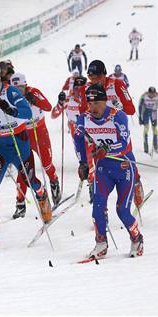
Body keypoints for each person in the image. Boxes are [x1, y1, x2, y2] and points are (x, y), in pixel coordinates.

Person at [0, 63, 50, 252]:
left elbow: (27, 113)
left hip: (18, 143)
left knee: (29, 180)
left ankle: (41, 195)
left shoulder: (11, 93)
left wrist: (12, 110)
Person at [74, 84, 143, 259]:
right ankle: (101, 243)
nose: (93, 107)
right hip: (104, 168)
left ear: (105, 101)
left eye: (97, 102)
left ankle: (137, 239)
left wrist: (107, 149)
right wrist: (83, 162)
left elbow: (124, 143)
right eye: (89, 103)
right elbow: (78, 138)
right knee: (98, 205)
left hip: (124, 166)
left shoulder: (117, 116)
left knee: (122, 211)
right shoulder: (84, 118)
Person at [81, 59, 144, 207]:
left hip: (117, 129)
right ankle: (100, 206)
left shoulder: (116, 84)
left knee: (125, 158)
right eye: (91, 78)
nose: (94, 81)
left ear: (104, 74)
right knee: (99, 162)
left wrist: (119, 107)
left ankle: (135, 182)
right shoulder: (88, 89)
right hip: (98, 132)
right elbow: (82, 111)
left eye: (97, 77)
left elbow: (131, 110)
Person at [10, 73, 61, 218]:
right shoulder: (10, 97)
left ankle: (53, 181)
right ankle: (20, 203)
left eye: (20, 88)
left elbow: (48, 106)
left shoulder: (34, 92)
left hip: (39, 132)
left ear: (25, 85)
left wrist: (34, 100)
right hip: (22, 134)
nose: (17, 91)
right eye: (15, 88)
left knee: (46, 164)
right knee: (24, 170)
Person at [138, 86, 158, 153]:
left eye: (153, 93)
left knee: (155, 129)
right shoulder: (144, 96)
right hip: (145, 113)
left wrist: (155, 119)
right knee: (146, 129)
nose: (152, 95)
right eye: (150, 93)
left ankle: (155, 146)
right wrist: (140, 118)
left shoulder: (157, 96)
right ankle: (146, 147)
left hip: (153, 113)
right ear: (148, 92)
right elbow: (140, 107)